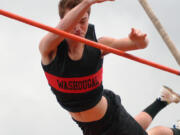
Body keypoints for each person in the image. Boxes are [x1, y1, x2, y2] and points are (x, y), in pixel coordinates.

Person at [39, 0, 180, 134]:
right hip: (88, 125)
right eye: (73, 21)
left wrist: (140, 40)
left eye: (83, 21)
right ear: (62, 21)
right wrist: (88, 2)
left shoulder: (98, 46)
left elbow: (138, 44)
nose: (77, 28)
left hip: (110, 117)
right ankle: (162, 100)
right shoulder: (49, 49)